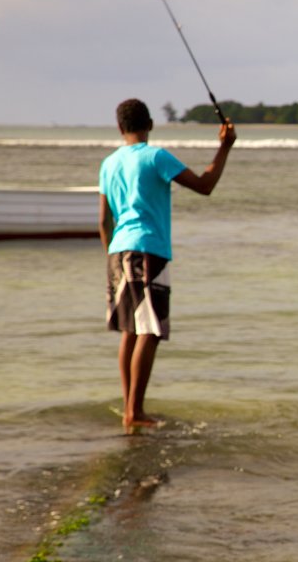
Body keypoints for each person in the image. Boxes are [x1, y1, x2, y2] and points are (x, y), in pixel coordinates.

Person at [98, 98, 236, 432]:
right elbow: (204, 186)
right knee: (150, 330)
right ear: (150, 124)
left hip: (118, 251)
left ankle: (130, 407)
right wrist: (225, 147)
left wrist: (112, 255)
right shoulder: (156, 156)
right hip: (148, 249)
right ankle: (135, 411)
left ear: (120, 128)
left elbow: (104, 221)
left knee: (130, 331)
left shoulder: (109, 162)